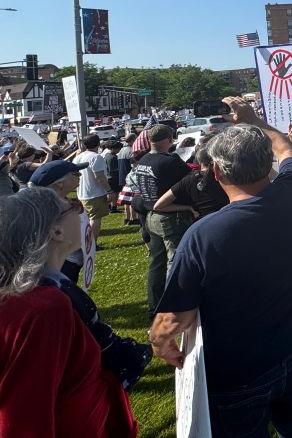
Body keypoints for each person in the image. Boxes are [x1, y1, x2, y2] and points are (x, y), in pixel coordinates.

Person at [150, 97, 292, 437]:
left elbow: (172, 319)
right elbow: (287, 149)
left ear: (216, 172)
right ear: (265, 163)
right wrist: (255, 119)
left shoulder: (202, 235)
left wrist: (158, 343)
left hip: (236, 376)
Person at [0, 187, 139, 437]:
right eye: (71, 205)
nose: (79, 208)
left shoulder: (45, 289)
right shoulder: (43, 308)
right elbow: (24, 415)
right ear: (56, 231)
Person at [131, 124, 192, 320]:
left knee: (156, 263)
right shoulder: (169, 162)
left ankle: (154, 306)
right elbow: (190, 181)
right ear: (168, 139)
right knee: (176, 262)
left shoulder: (144, 160)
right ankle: (175, 308)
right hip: (170, 217)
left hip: (150, 217)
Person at [152, 138, 230, 220]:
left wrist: (188, 207)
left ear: (199, 161)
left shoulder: (189, 179)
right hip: (227, 220)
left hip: (201, 224)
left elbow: (158, 206)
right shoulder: (226, 178)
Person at [73, 133, 113, 247]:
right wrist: (109, 191)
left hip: (82, 193)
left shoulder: (77, 157)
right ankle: (92, 244)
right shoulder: (96, 157)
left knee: (86, 220)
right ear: (99, 143)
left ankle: (86, 243)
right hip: (94, 193)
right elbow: (99, 176)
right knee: (95, 219)